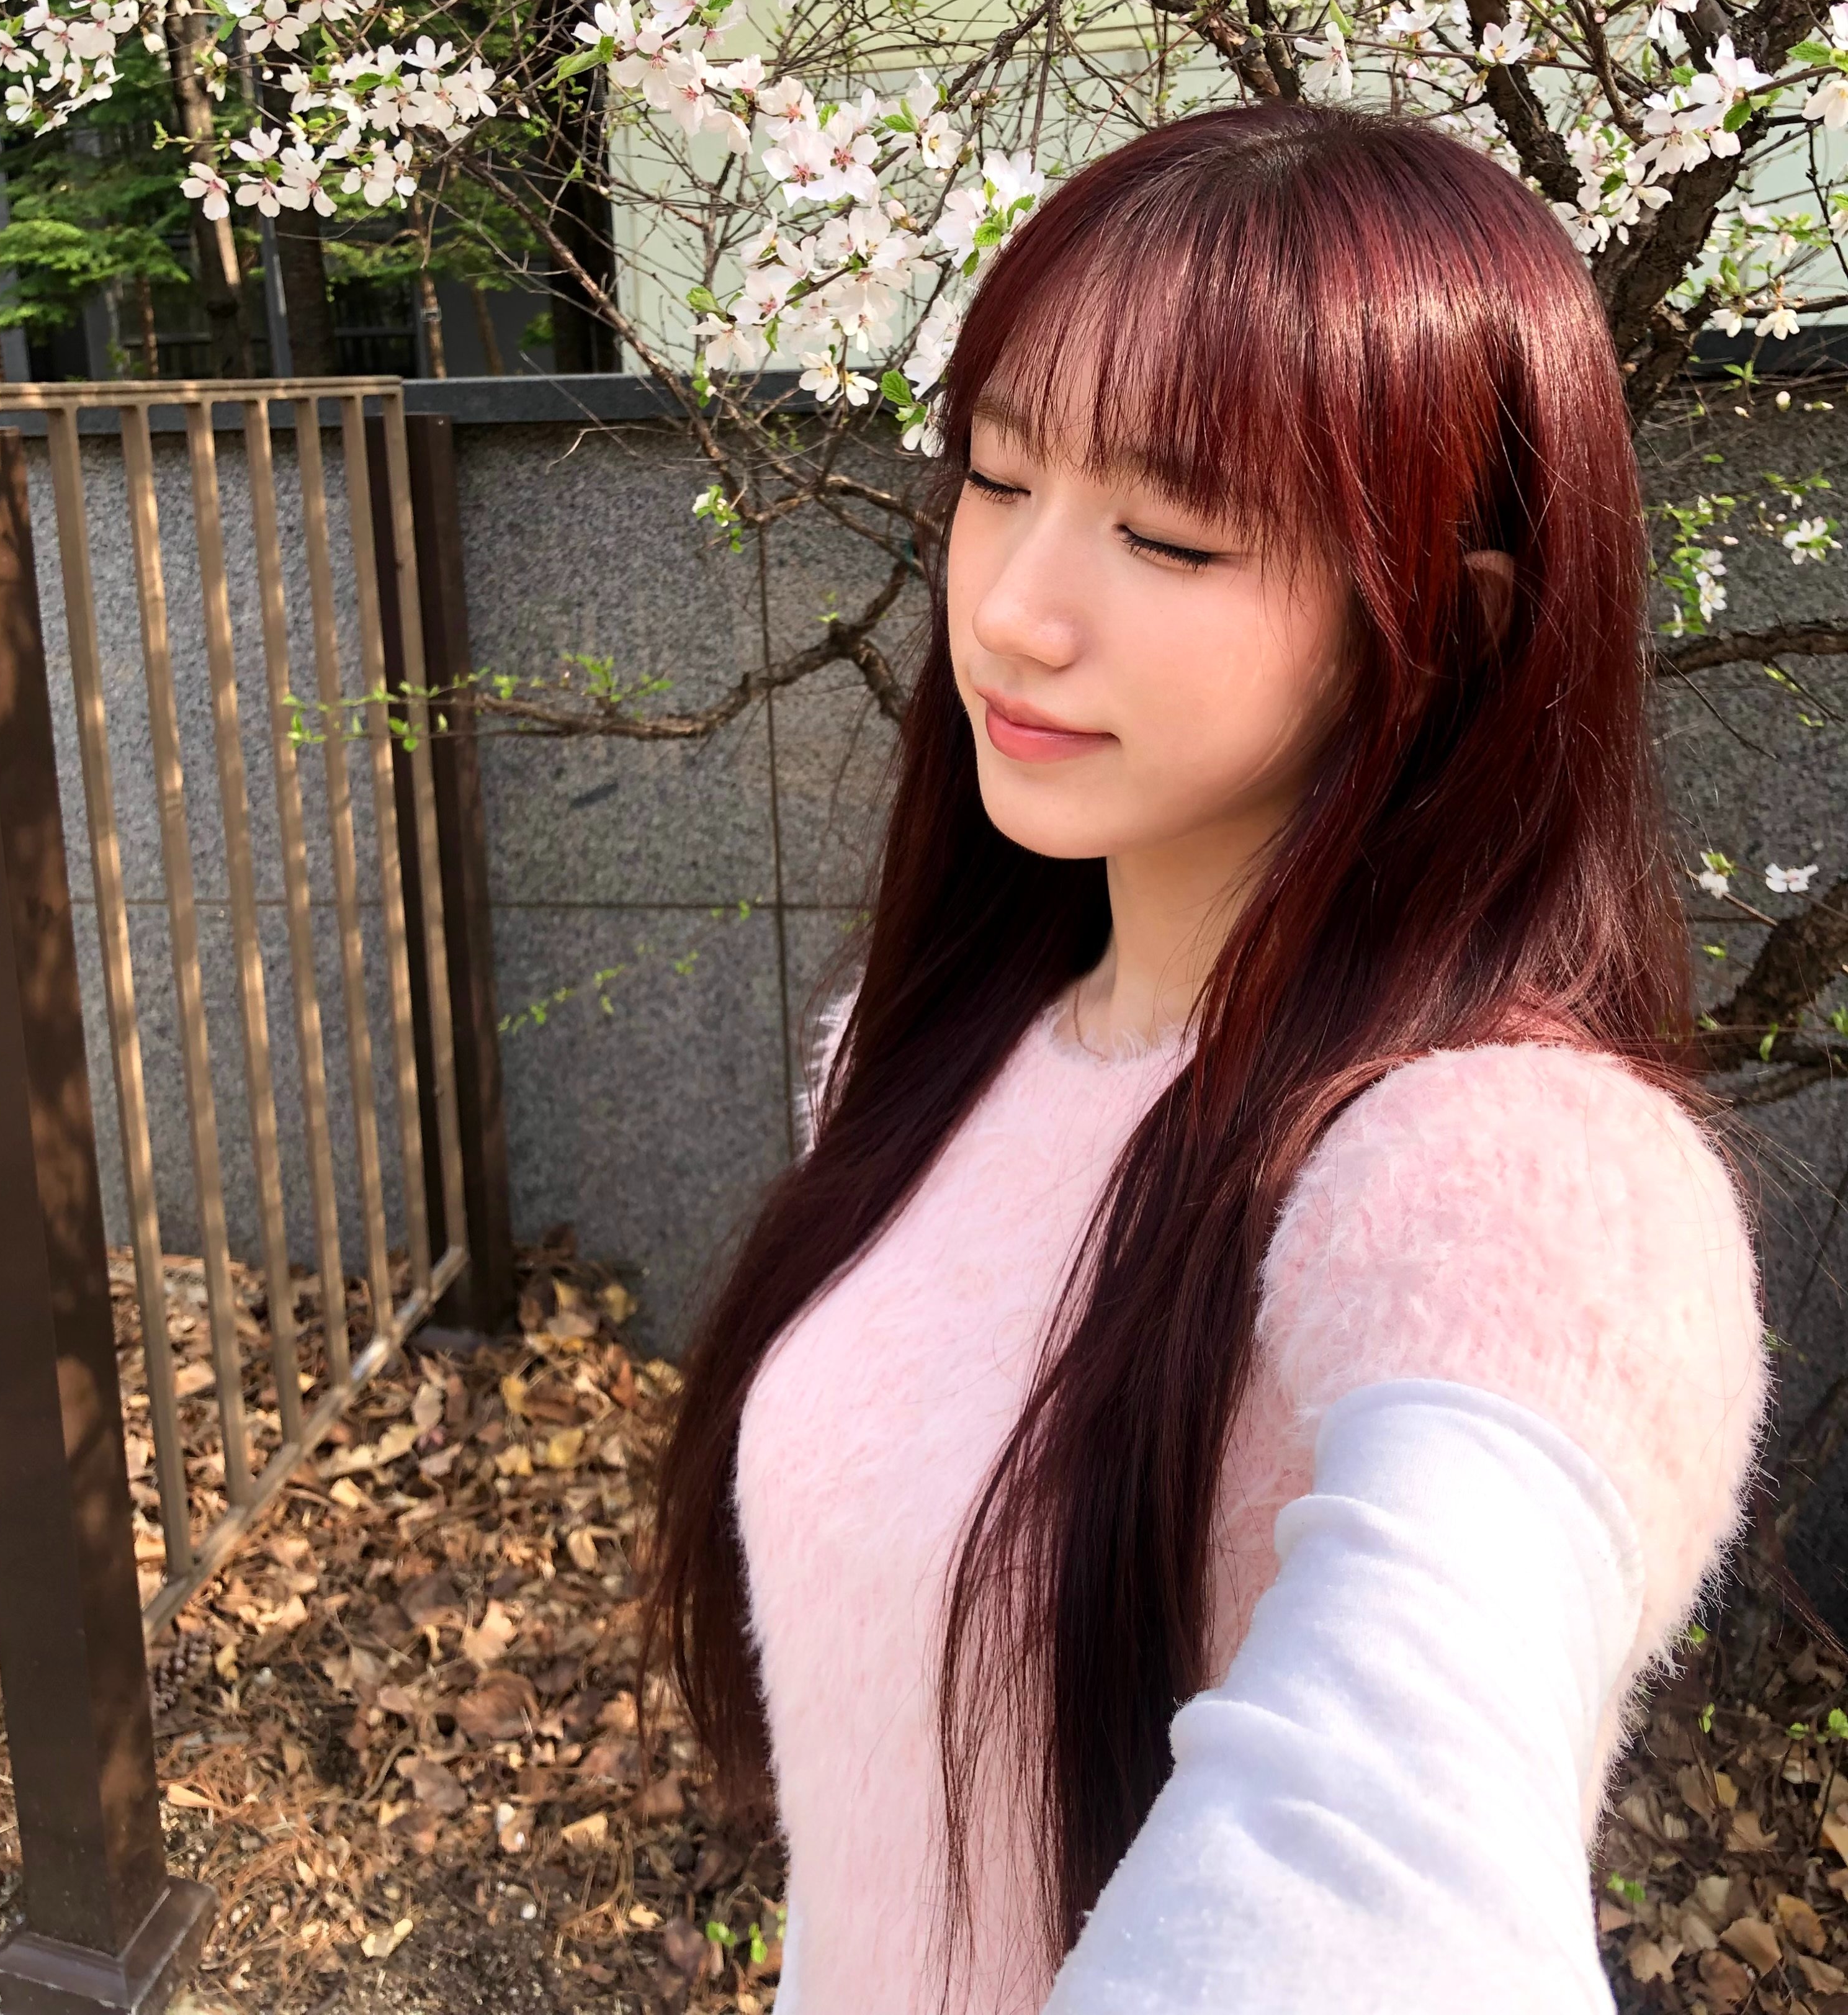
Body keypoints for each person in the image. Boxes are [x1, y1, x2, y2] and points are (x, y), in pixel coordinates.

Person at [645, 104, 1768, 2014]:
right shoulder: (912, 1063)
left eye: (1169, 533)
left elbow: (1380, 1877)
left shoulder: (1518, 1180)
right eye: (998, 478)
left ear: (1451, 629)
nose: (1013, 611)